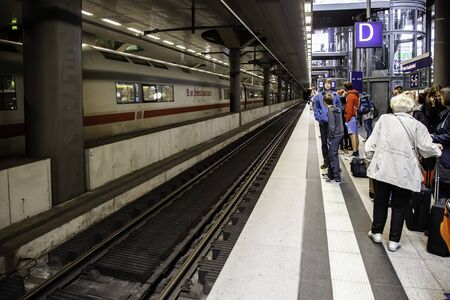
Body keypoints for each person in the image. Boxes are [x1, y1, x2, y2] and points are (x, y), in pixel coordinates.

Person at [365, 93, 442, 252]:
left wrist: (370, 158)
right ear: (411, 109)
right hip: (404, 171)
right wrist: (437, 150)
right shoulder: (417, 125)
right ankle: (394, 241)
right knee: (400, 206)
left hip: (383, 168)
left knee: (380, 201)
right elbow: (427, 147)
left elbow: (371, 144)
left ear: (394, 106)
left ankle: (377, 232)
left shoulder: (384, 120)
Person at [314, 79, 342, 169]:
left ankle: (333, 162)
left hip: (333, 123)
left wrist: (338, 121)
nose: (327, 85)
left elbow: (339, 109)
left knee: (333, 143)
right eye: (325, 84)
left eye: (328, 84)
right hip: (323, 123)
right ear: (323, 85)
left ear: (331, 85)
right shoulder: (318, 96)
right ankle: (326, 161)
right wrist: (320, 118)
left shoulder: (336, 95)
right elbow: (316, 109)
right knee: (324, 143)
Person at [431, 87, 450, 199]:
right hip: (445, 156)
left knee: (443, 189)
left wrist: (434, 137)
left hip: (447, 156)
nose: (439, 99)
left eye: (441, 96)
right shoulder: (446, 113)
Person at [321, 93, 344, 183]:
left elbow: (331, 126)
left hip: (335, 135)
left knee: (333, 155)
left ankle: (336, 177)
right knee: (332, 154)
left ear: (324, 102)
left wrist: (330, 136)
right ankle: (331, 174)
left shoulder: (330, 111)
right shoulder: (336, 108)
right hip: (339, 133)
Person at [343, 81, 359, 159]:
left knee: (352, 135)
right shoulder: (355, 94)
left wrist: (347, 119)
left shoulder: (350, 96)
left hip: (351, 117)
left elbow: (349, 109)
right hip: (355, 116)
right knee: (355, 135)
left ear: (345, 88)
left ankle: (354, 152)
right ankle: (357, 151)